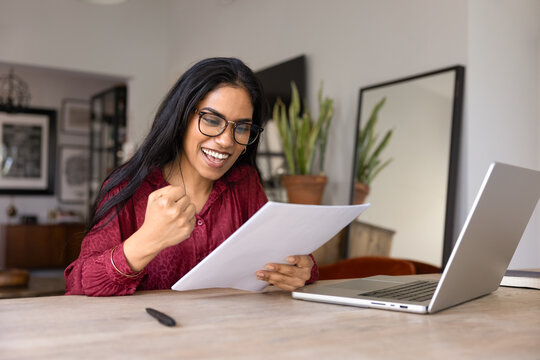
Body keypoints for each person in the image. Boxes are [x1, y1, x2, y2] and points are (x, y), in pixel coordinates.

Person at [65, 57, 318, 296]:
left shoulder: (244, 183)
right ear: (182, 117)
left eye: (241, 127)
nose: (225, 141)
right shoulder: (128, 186)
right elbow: (78, 286)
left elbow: (286, 256)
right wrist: (149, 239)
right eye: (211, 120)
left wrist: (301, 270)